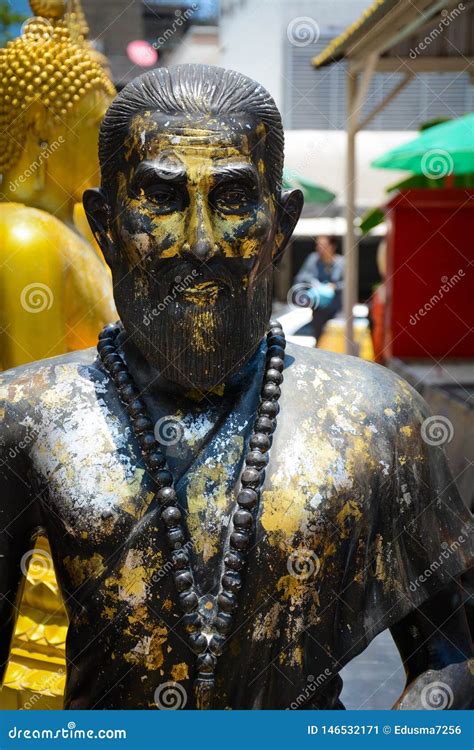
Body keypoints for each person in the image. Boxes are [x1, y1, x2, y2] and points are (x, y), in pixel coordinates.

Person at [0, 65, 472, 710]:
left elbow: (453, 656)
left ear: (281, 224)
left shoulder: (377, 416)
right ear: (106, 226)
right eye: (161, 198)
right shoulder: (25, 416)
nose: (200, 241)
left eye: (232, 199)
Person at [294, 235, 344, 344]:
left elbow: (349, 285)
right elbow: (300, 279)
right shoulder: (312, 260)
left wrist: (335, 287)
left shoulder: (342, 263)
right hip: (318, 312)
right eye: (318, 245)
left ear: (333, 246)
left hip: (338, 312)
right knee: (320, 342)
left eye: (323, 246)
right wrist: (313, 285)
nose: (319, 248)